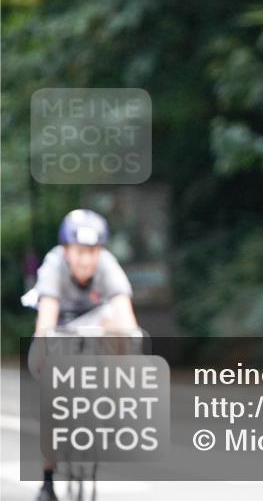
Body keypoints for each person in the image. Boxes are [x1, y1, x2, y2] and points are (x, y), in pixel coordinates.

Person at [30, 209, 139, 501]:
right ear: (66, 250)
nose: (86, 260)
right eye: (79, 252)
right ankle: (47, 480)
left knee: (122, 333)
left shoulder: (108, 266)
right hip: (60, 324)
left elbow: (124, 313)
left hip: (96, 321)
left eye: (92, 252)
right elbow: (47, 319)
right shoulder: (54, 266)